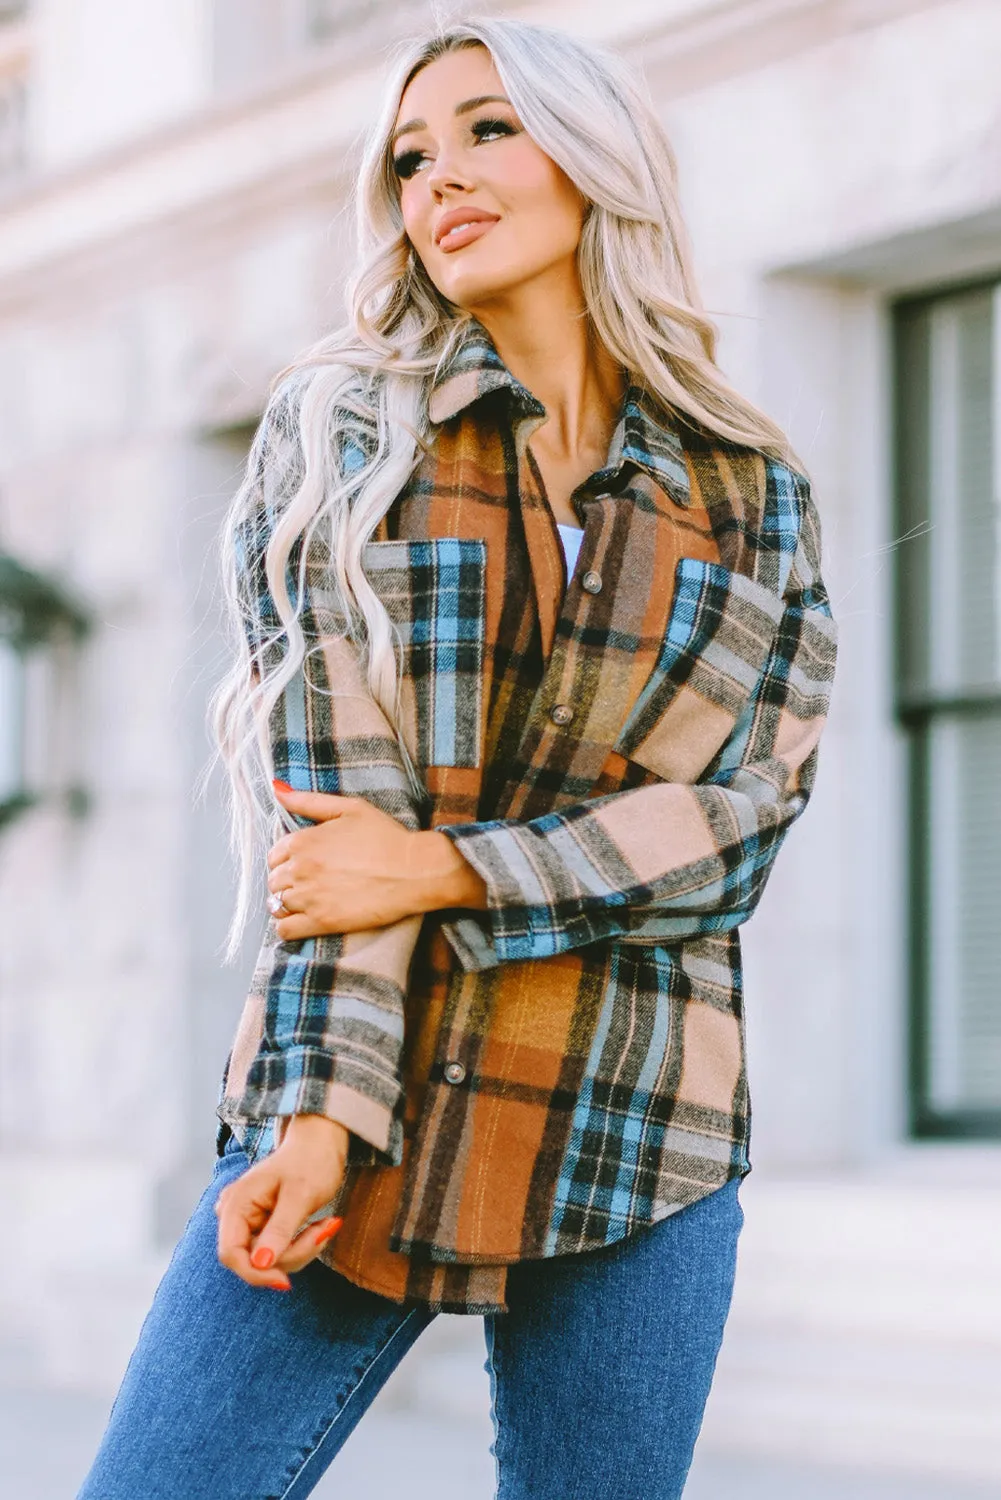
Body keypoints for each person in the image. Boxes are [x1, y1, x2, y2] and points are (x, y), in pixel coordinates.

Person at [77, 15, 838, 1500]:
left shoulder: (753, 490)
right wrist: (318, 1112)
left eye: (490, 129)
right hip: (368, 1080)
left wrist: (439, 868)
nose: (441, 178)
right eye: (409, 156)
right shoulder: (344, 435)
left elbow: (738, 830)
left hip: (644, 1117)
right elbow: (329, 815)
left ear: (596, 158)